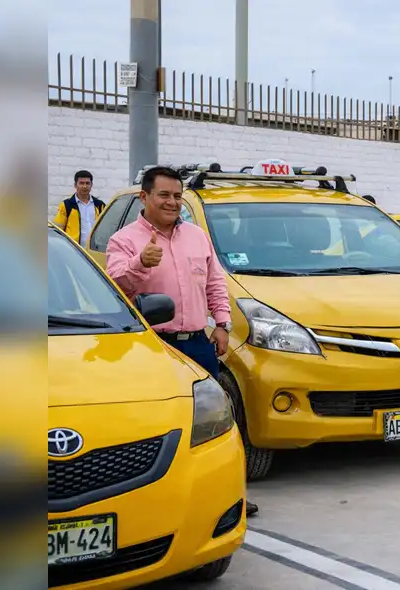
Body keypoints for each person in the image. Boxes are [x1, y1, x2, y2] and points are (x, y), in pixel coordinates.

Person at [104, 166, 259, 518]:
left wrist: (221, 324)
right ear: (144, 197)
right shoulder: (124, 241)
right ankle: (154, 500)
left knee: (212, 424)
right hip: (154, 349)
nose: (172, 202)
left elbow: (215, 284)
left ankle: (225, 494)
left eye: (177, 196)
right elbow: (115, 286)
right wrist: (140, 263)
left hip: (198, 345)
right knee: (155, 425)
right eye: (164, 195)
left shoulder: (196, 236)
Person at [54, 170, 106, 248]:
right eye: (81, 183)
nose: (85, 186)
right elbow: (57, 231)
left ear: (91, 185)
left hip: (94, 251)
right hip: (73, 250)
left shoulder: (99, 205)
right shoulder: (66, 205)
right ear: (75, 185)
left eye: (87, 183)